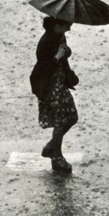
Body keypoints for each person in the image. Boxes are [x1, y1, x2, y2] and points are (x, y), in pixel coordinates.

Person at [30, 16, 79, 173]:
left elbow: (65, 54)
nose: (69, 28)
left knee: (71, 117)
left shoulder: (59, 35)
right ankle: (57, 158)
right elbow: (43, 68)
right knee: (60, 120)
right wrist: (57, 56)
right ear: (57, 24)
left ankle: (51, 146)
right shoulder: (46, 42)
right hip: (50, 87)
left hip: (60, 84)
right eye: (66, 25)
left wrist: (65, 51)